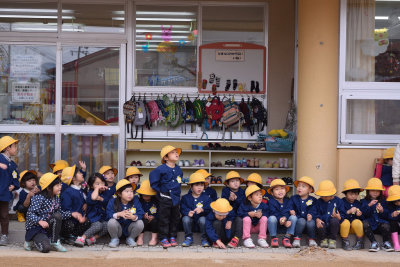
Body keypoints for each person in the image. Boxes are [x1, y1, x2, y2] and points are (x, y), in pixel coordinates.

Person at [25, 173, 76, 253]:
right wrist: (39, 221)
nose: (60, 187)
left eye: (60, 184)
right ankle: (31, 240)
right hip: (36, 228)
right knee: (45, 248)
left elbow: (58, 214)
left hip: (48, 227)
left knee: (57, 216)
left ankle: (54, 241)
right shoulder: (39, 197)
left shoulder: (56, 198)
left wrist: (71, 214)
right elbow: (30, 214)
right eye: (57, 185)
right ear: (49, 188)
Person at [149, 145, 183, 248]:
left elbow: (179, 182)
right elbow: (154, 181)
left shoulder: (178, 170)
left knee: (175, 218)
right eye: (172, 152)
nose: (176, 154)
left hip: (175, 199)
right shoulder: (160, 169)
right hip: (165, 198)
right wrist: (161, 192)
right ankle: (163, 237)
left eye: (176, 152)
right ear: (166, 157)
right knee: (164, 218)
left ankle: (172, 236)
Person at [106, 179, 144, 248]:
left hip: (130, 228)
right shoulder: (113, 201)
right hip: (118, 229)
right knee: (111, 222)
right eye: (127, 191)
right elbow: (108, 214)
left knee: (140, 223)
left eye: (131, 191)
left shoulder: (135, 200)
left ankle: (131, 238)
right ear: (119, 194)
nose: (130, 194)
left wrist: (134, 217)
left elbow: (141, 213)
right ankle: (114, 239)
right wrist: (119, 214)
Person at [75, 173, 109, 247]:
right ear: (91, 186)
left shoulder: (105, 193)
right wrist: (97, 189)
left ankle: (92, 239)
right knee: (98, 225)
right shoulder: (90, 193)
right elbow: (93, 198)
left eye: (102, 183)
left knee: (107, 225)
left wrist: (101, 198)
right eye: (97, 184)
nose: (100, 185)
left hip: (102, 217)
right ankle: (82, 238)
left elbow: (106, 203)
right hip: (92, 218)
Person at [60, 165, 90, 245]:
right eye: (79, 173)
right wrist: (74, 215)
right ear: (73, 178)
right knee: (69, 225)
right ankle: (65, 236)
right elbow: (65, 209)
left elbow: (84, 200)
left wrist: (86, 204)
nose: (82, 174)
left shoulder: (80, 189)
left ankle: (73, 236)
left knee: (87, 222)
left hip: (79, 220)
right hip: (70, 220)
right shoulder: (68, 192)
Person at [361, 178, 393, 252]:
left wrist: (382, 210)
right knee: (364, 223)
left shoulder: (384, 201)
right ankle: (374, 242)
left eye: (377, 191)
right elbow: (363, 215)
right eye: (372, 190)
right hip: (370, 225)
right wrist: (369, 205)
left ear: (381, 192)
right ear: (368, 191)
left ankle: (386, 242)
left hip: (380, 225)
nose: (375, 193)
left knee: (386, 225)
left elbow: (387, 215)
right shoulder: (364, 201)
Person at [180, 173, 211, 247]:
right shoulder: (185, 197)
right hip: (190, 224)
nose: (199, 188)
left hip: (201, 224)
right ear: (191, 186)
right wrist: (188, 212)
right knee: (185, 218)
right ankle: (188, 237)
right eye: (197, 185)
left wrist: (203, 210)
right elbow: (182, 208)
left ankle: (204, 238)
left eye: (201, 185)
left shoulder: (207, 198)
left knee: (203, 219)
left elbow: (210, 209)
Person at [0, 136, 19, 246]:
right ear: (7, 148)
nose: (16, 149)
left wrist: (13, 186)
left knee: (4, 215)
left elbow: (16, 179)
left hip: (5, 194)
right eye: (14, 146)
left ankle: (4, 235)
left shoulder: (13, 164)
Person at [315, 180, 345, 249]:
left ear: (332, 195)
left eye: (326, 196)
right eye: (322, 195)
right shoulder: (319, 202)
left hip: (333, 225)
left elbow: (343, 214)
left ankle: (332, 240)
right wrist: (317, 219)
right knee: (320, 224)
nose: (323, 197)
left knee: (334, 221)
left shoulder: (339, 201)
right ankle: (323, 239)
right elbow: (316, 212)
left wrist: (339, 217)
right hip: (323, 224)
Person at [267, 178, 297, 248]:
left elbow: (288, 210)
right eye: (277, 189)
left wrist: (285, 218)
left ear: (286, 190)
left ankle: (287, 237)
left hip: (286, 225)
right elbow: (273, 212)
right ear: (272, 193)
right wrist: (281, 219)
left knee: (293, 217)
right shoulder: (271, 201)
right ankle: (273, 238)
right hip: (275, 225)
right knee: (271, 218)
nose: (280, 191)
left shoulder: (288, 201)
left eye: (282, 188)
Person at [289, 176, 317, 248]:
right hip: (299, 222)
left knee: (311, 222)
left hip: (308, 221)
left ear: (310, 190)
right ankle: (297, 239)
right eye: (298, 186)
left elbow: (314, 209)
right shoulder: (293, 198)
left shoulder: (313, 200)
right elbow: (290, 206)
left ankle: (311, 239)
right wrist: (291, 210)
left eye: (303, 186)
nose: (299, 188)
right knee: (301, 220)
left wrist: (311, 214)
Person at [220, 170, 244, 248]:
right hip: (228, 214)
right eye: (232, 181)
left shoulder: (242, 192)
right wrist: (229, 200)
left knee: (240, 220)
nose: (235, 183)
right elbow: (224, 204)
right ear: (227, 184)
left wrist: (236, 199)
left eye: (237, 180)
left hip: (238, 214)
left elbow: (243, 205)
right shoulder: (225, 191)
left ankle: (236, 238)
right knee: (223, 223)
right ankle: (223, 239)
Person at [340, 179, 364, 250]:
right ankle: (345, 242)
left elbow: (363, 217)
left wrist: (359, 215)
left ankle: (360, 242)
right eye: (351, 194)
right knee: (345, 222)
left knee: (357, 222)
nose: (353, 196)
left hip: (354, 229)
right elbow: (340, 216)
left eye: (356, 194)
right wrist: (348, 212)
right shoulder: (341, 202)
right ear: (345, 193)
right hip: (344, 228)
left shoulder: (358, 203)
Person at [136, 180, 158, 246]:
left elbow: (160, 211)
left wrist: (154, 216)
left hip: (153, 223)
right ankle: (140, 238)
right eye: (144, 195)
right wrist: (143, 215)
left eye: (148, 195)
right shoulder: (139, 201)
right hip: (144, 222)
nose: (146, 197)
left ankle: (154, 238)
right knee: (142, 221)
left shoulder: (156, 201)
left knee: (155, 221)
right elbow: (138, 210)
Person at [386, 185, 400, 252]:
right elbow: (387, 215)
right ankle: (396, 244)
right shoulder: (390, 206)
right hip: (395, 226)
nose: (397, 203)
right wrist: (392, 215)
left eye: (399, 200)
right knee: (392, 222)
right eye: (395, 201)